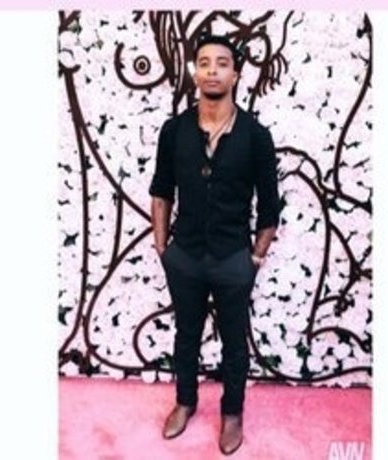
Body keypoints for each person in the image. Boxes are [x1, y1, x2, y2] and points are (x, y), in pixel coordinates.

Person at [148, 34, 280, 455]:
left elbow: (270, 206)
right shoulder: (174, 131)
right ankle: (185, 401)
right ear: (195, 72)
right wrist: (162, 247)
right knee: (186, 334)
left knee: (234, 342)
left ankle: (232, 412)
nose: (212, 71)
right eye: (204, 62)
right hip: (184, 255)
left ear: (235, 74)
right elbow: (161, 190)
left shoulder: (256, 136)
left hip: (233, 258)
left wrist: (254, 257)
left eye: (222, 63)